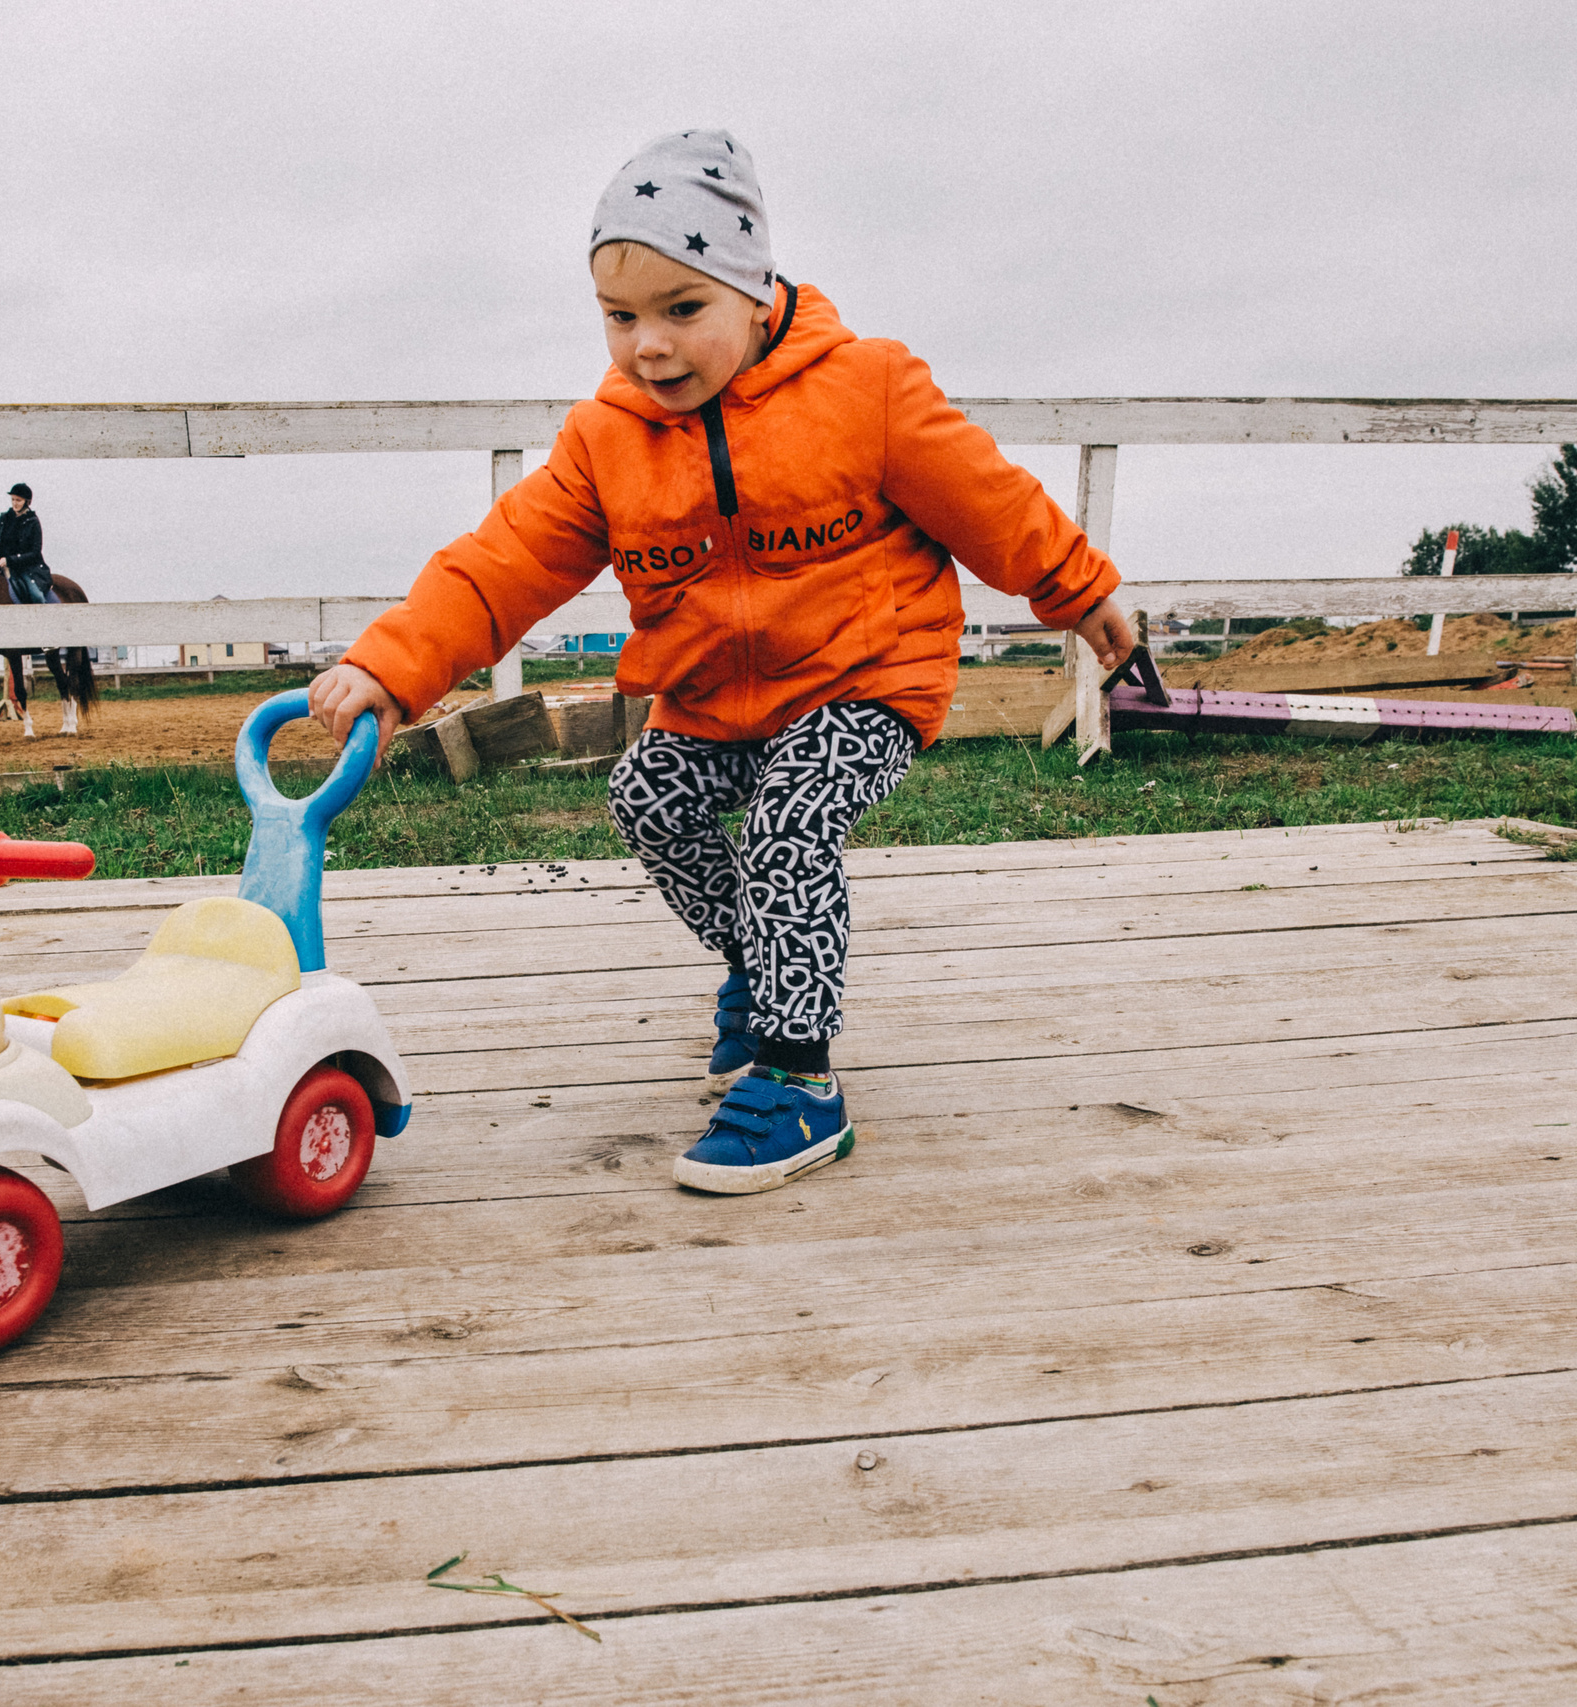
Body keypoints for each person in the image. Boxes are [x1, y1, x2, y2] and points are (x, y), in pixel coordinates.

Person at [310, 128, 1133, 1195]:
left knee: (794, 821)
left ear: (754, 293)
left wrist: (1080, 592)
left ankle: (799, 1081)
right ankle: (767, 964)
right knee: (648, 797)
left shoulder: (865, 388)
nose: (647, 346)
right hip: (710, 696)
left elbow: (990, 500)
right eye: (619, 318)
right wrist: (391, 664)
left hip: (860, 679)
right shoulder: (606, 441)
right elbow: (501, 565)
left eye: (680, 310)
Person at [0, 482, 58, 605]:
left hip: (27, 568)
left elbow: (35, 552)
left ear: (26, 501)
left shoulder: (33, 522)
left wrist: (9, 560)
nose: (15, 503)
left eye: (18, 500)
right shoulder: (5, 518)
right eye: (13, 499)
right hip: (5, 566)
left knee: (37, 596)